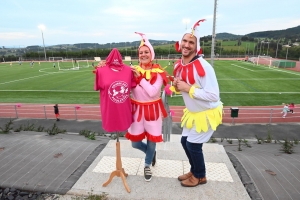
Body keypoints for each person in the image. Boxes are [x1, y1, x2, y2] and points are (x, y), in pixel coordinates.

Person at [171, 19, 223, 187]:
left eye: (191, 42)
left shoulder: (204, 67)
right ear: (180, 43)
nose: (187, 45)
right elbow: (182, 87)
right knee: (184, 142)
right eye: (185, 41)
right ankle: (195, 170)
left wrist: (188, 88)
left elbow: (214, 95)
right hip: (194, 113)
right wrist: (177, 87)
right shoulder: (180, 65)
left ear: (196, 46)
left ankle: (200, 175)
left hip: (206, 113)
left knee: (193, 145)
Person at [126, 32, 171, 182]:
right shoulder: (132, 71)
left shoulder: (158, 73)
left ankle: (147, 164)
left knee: (152, 140)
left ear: (151, 54)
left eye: (146, 52)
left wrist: (139, 78)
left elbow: (152, 92)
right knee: (135, 143)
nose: (143, 54)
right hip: (137, 111)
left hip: (153, 111)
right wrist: (103, 66)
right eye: (141, 52)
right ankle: (150, 154)